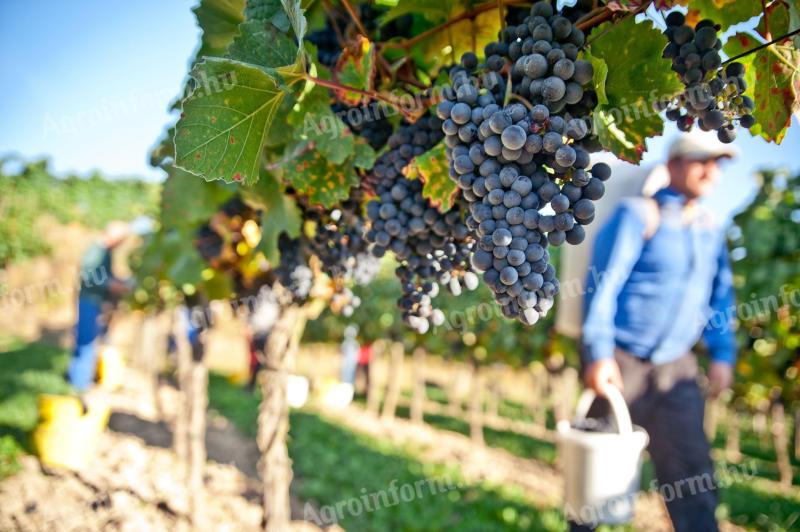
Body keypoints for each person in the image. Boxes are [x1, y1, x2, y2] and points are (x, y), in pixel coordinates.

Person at [578, 132, 738, 532]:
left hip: (678, 369)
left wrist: (722, 354)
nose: (710, 171)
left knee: (692, 476)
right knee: (595, 472)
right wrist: (598, 352)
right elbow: (603, 284)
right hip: (622, 363)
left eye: (716, 163)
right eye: (700, 160)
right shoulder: (637, 215)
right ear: (672, 166)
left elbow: (720, 298)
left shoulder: (710, 230)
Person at [67, 221, 130, 391]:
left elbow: (104, 274)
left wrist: (117, 281)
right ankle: (79, 385)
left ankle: (79, 381)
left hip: (95, 301)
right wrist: (111, 285)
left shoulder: (105, 252)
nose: (122, 243)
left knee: (90, 340)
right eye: (121, 239)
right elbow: (89, 275)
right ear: (114, 236)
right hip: (89, 300)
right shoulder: (97, 250)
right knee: (86, 341)